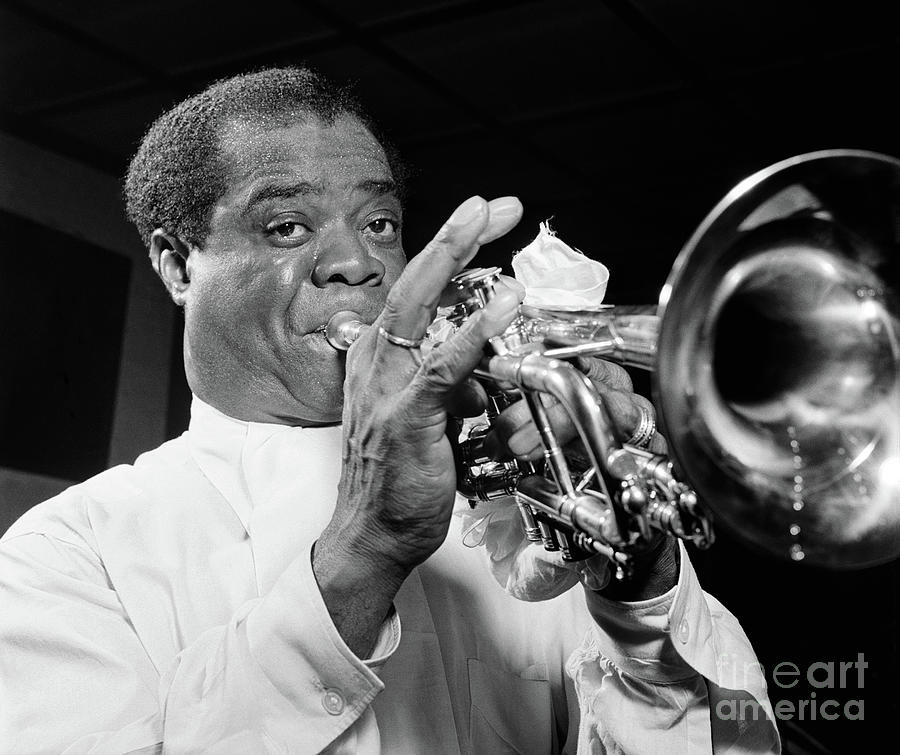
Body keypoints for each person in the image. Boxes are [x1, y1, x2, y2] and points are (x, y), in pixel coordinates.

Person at [0, 67, 779, 754]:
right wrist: (364, 547)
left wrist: (638, 579)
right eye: (286, 227)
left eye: (380, 224)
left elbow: (734, 744)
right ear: (177, 264)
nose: (357, 262)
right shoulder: (70, 554)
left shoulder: (520, 508)